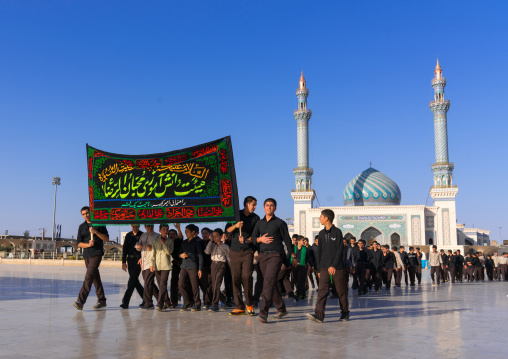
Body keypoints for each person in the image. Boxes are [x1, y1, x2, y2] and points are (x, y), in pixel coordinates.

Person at [251, 198, 295, 323]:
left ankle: (263, 312)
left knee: (268, 282)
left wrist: (293, 255)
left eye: (271, 205)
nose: (269, 207)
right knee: (272, 282)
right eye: (267, 205)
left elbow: (287, 240)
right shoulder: (259, 223)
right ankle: (281, 308)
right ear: (264, 208)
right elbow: (254, 237)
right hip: (263, 256)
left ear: (275, 208)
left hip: (276, 255)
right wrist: (260, 240)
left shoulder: (280, 223)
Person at [306, 209, 349, 324]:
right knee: (322, 291)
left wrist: (333, 265)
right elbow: (320, 253)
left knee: (340, 291)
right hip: (324, 268)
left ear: (327, 218)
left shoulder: (337, 232)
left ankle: (345, 312)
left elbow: (340, 250)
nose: (319, 218)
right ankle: (319, 315)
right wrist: (319, 269)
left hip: (337, 268)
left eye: (321, 216)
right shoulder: (321, 234)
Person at [227, 196, 259, 316]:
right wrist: (236, 226)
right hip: (234, 251)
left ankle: (249, 304)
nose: (255, 207)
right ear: (246, 204)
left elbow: (255, 236)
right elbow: (227, 231)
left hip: (248, 251)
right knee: (235, 278)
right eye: (253, 205)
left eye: (255, 205)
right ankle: (239, 306)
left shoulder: (256, 218)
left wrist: (246, 240)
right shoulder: (236, 215)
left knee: (247, 276)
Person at [73, 206, 110, 310]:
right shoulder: (81, 227)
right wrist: (88, 245)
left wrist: (95, 232)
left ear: (91, 212)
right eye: (84, 214)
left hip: (97, 253)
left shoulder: (100, 223)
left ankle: (80, 301)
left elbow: (107, 239)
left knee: (88, 277)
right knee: (95, 278)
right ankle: (102, 300)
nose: (86, 215)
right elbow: (79, 243)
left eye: (87, 213)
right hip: (87, 255)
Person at [178, 224, 203, 311]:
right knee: (180, 284)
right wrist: (181, 255)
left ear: (193, 232)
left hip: (193, 266)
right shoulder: (184, 242)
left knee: (194, 286)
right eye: (185, 232)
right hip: (184, 266)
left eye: (188, 232)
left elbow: (200, 256)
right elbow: (179, 253)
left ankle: (197, 303)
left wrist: (200, 269)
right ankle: (187, 302)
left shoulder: (197, 243)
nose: (186, 233)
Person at [205, 228, 230, 312]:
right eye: (213, 236)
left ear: (221, 236)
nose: (215, 238)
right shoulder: (212, 245)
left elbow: (229, 258)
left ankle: (214, 305)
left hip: (221, 265)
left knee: (217, 284)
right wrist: (210, 241)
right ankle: (222, 298)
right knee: (213, 286)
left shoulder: (225, 246)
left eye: (216, 236)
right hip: (213, 264)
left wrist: (232, 268)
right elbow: (207, 252)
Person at [150, 224, 174, 311]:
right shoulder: (155, 241)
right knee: (161, 286)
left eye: (167, 229)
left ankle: (159, 304)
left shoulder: (170, 241)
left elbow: (168, 252)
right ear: (160, 230)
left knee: (163, 284)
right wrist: (151, 264)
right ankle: (167, 302)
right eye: (163, 229)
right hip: (157, 266)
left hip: (166, 266)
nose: (165, 231)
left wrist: (163, 244)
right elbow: (152, 254)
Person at [120, 224, 144, 309]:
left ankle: (125, 302)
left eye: (137, 226)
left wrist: (142, 258)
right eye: (133, 226)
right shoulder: (128, 235)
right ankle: (147, 299)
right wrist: (123, 262)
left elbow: (144, 249)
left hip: (138, 261)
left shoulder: (142, 235)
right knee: (135, 282)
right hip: (130, 261)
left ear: (139, 226)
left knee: (131, 281)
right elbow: (125, 249)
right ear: (131, 226)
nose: (135, 228)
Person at [138, 224, 160, 309]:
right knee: (149, 282)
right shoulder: (143, 235)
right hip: (144, 262)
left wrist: (152, 247)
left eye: (151, 226)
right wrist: (139, 246)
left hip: (152, 262)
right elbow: (139, 247)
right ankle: (161, 299)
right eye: (148, 226)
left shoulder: (157, 236)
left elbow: (160, 247)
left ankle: (148, 302)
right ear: (145, 227)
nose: (150, 227)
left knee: (147, 282)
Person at [168, 224, 183, 308]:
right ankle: (173, 301)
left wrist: (179, 229)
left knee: (183, 281)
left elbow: (180, 236)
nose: (172, 236)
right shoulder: (168, 242)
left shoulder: (178, 241)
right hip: (175, 263)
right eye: (170, 234)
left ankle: (188, 299)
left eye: (174, 234)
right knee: (173, 281)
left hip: (182, 262)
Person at [199, 227, 213, 310]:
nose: (204, 235)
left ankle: (207, 302)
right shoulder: (199, 243)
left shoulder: (212, 243)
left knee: (208, 284)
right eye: (203, 233)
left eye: (206, 233)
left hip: (210, 266)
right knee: (202, 285)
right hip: (201, 267)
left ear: (209, 234)